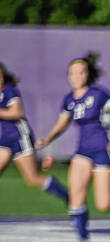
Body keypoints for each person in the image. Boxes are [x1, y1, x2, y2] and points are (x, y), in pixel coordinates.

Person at [35, 54, 110, 242]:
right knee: (75, 196)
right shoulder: (69, 100)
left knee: (104, 205)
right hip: (83, 151)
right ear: (68, 76)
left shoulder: (99, 94)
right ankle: (83, 239)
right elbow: (62, 124)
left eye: (82, 72)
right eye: (73, 73)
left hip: (104, 149)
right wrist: (48, 138)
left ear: (87, 74)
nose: (77, 76)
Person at [0, 62, 69, 206]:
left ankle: (70, 198)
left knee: (33, 179)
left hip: (20, 136)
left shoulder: (9, 90)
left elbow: (17, 112)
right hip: (6, 138)